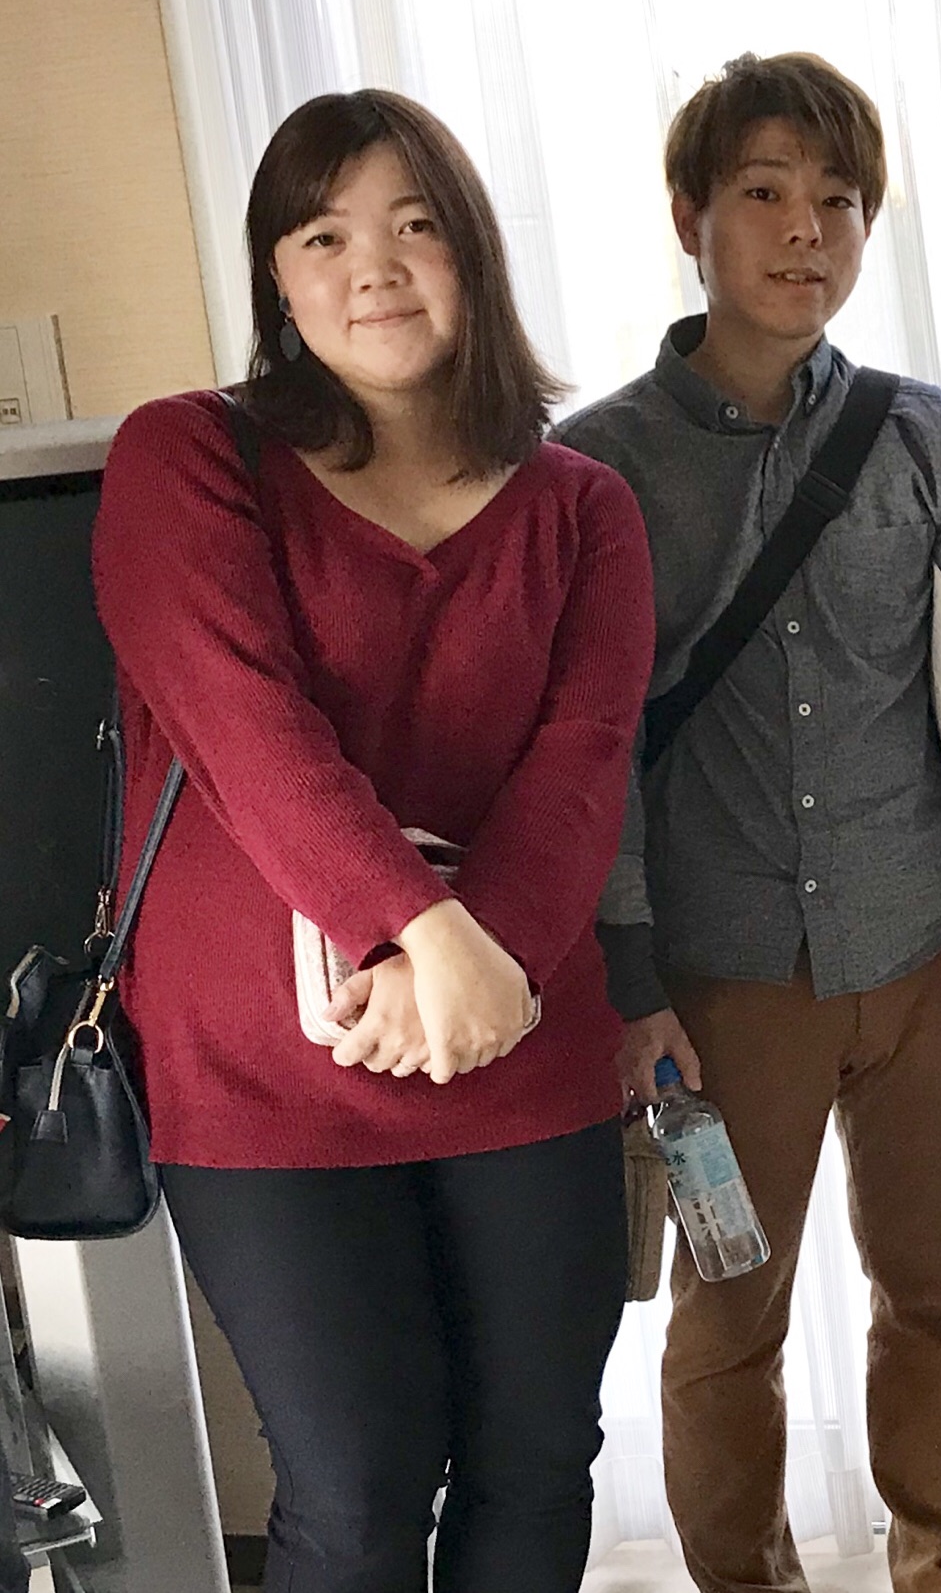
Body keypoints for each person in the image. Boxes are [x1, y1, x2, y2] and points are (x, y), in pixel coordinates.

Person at [90, 90, 653, 1590]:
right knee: (358, 1477)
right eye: (324, 236)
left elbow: (581, 766)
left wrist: (481, 968)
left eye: (414, 227)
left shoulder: (584, 508)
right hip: (264, 1072)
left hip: (518, 1042)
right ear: (277, 276)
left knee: (537, 1458)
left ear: (471, 254)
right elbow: (242, 725)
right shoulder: (185, 456)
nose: (374, 268)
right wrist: (419, 931)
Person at [556, 51, 941, 1593]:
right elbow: (587, 752)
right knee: (729, 1317)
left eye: (838, 201)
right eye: (764, 192)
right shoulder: (594, 467)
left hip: (919, 940)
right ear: (688, 217)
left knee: (936, 1290)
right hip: (719, 970)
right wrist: (631, 981)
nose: (804, 231)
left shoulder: (931, 440)